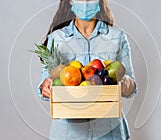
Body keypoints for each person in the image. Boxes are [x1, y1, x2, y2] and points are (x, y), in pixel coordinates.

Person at [37, 0, 138, 139]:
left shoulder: (116, 37)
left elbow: (132, 86)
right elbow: (44, 83)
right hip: (68, 135)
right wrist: (46, 86)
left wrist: (125, 83)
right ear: (71, 1)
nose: (85, 2)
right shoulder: (57, 39)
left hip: (109, 134)